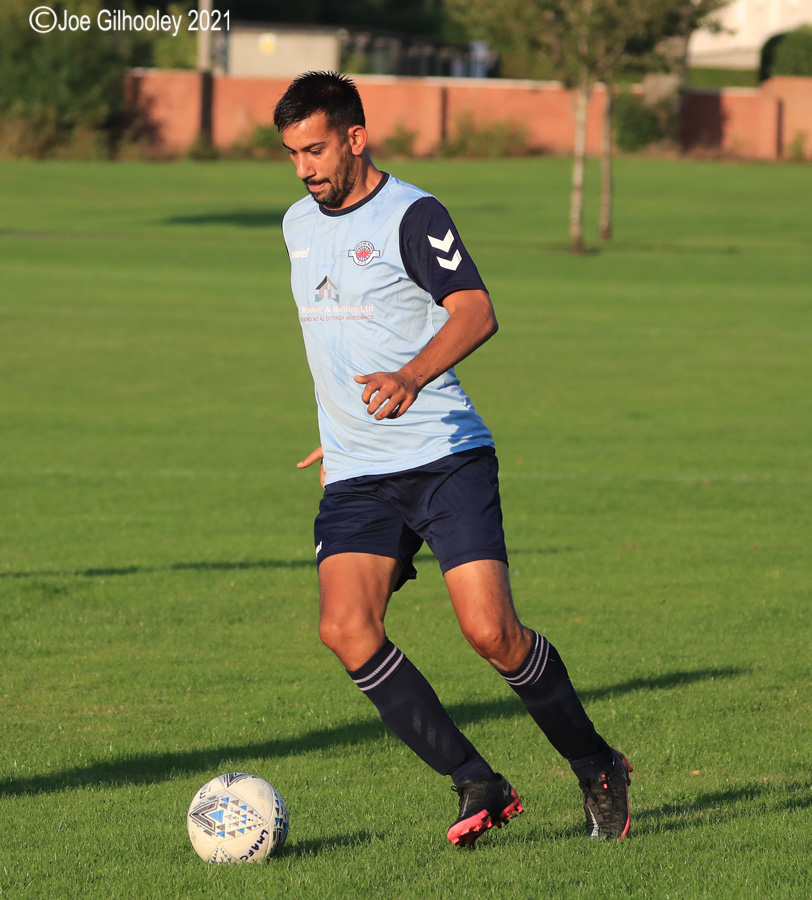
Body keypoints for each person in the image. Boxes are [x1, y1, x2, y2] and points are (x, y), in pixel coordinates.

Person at [273, 71, 631, 846]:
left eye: (316, 148)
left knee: (491, 633)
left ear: (356, 138)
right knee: (347, 628)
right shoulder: (296, 225)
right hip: (359, 470)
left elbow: (476, 311)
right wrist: (336, 427)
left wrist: (409, 377)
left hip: (444, 457)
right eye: (293, 153)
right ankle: (478, 781)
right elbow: (329, 341)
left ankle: (596, 764)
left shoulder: (413, 213)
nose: (305, 167)